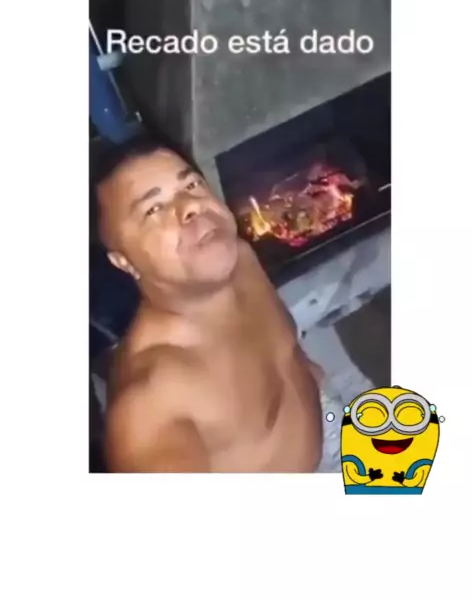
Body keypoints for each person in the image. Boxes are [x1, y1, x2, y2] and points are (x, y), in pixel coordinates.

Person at [92, 133, 325, 472]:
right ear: (123, 262)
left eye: (191, 185)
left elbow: (285, 353)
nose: (190, 206)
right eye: (153, 209)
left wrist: (309, 377)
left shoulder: (241, 259)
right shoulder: (150, 404)